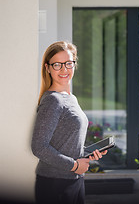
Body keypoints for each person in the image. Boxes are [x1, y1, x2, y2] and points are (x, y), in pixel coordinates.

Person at [31, 41, 107, 204]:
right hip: (55, 185)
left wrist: (87, 153)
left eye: (68, 63)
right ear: (48, 67)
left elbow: (65, 143)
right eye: (57, 65)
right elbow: (39, 147)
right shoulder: (53, 101)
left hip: (73, 180)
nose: (64, 69)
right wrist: (74, 165)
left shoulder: (71, 98)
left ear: (74, 64)